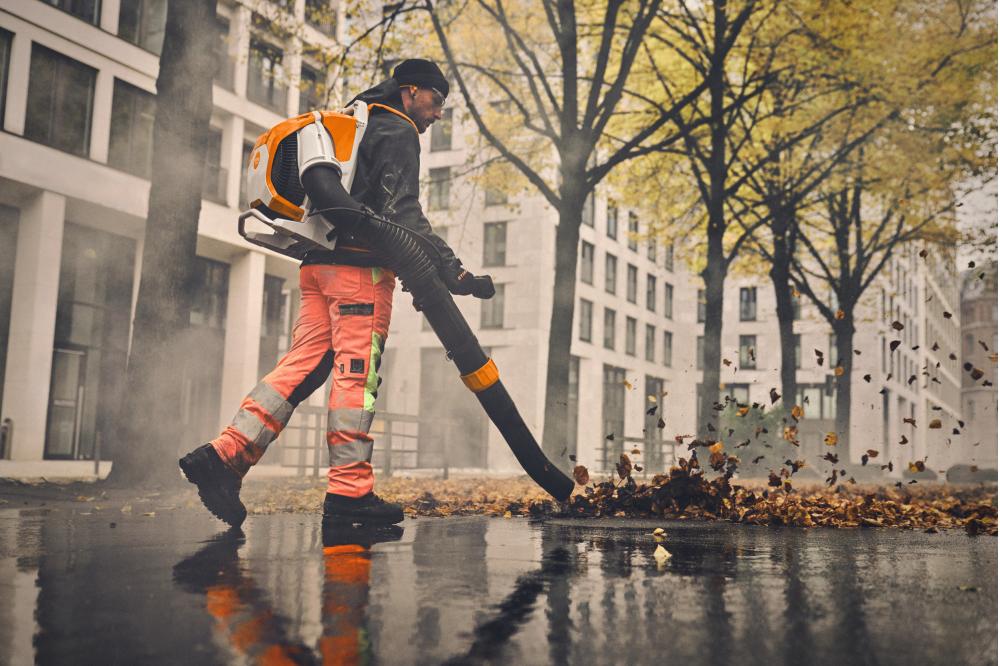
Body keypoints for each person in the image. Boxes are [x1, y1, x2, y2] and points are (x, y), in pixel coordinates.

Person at [179, 59, 495, 528]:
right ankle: (350, 492)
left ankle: (223, 457)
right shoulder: (397, 130)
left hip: (318, 267)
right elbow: (405, 215)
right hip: (358, 272)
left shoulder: (357, 121)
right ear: (409, 92)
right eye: (435, 99)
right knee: (355, 381)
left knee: (299, 367)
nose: (438, 113)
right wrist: (455, 272)